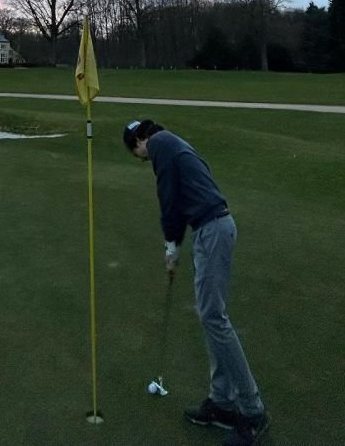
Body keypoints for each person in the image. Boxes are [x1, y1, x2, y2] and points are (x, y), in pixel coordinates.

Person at [123, 118, 269, 446]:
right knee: (210, 317)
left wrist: (171, 247)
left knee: (215, 319)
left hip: (212, 229)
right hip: (211, 229)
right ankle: (222, 402)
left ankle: (253, 410)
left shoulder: (160, 144)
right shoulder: (174, 144)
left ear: (140, 139)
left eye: (139, 154)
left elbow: (169, 200)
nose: (144, 158)